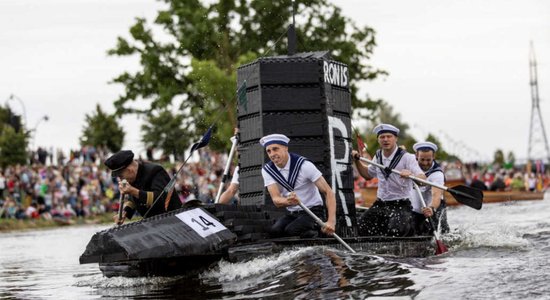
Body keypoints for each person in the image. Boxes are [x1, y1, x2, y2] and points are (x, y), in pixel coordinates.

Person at [352, 124, 426, 237]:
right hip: (381, 203)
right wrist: (357, 161)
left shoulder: (407, 157)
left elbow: (423, 179)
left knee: (396, 231)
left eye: (389, 136)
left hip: (401, 204)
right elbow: (367, 175)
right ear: (378, 139)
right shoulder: (377, 156)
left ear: (395, 138)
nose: (385, 139)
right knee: (360, 229)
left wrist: (411, 175)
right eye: (382, 137)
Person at [260, 134, 336, 238]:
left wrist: (331, 222)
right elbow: (276, 199)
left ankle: (318, 233)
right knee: (275, 231)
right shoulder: (267, 170)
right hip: (293, 213)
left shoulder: (304, 165)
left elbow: (328, 192)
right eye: (269, 151)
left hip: (312, 211)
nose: (272, 154)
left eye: (275, 149)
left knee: (292, 230)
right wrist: (289, 201)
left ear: (285, 148)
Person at [104, 150, 182, 224]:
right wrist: (125, 212)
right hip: (153, 223)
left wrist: (133, 191)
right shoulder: (132, 177)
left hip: (174, 219)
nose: (120, 180)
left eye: (121, 176)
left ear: (129, 170)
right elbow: (133, 199)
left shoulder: (155, 171)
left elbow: (160, 199)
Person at [409, 141, 450, 235]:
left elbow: (436, 195)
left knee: (441, 234)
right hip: (416, 210)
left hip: (434, 208)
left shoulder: (437, 174)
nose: (425, 163)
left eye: (428, 160)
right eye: (422, 159)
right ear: (416, 156)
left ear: (433, 157)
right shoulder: (410, 166)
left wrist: (431, 208)